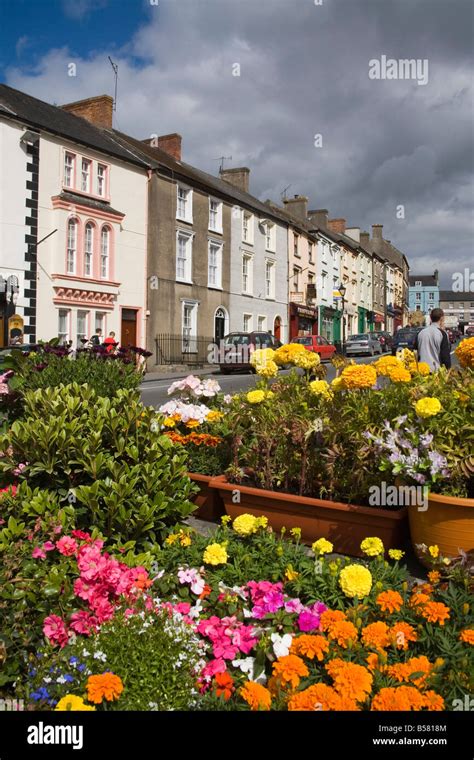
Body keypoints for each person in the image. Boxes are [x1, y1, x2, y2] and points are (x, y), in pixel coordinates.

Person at [414, 308, 451, 372]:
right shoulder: (442, 333)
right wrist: (448, 369)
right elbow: (445, 356)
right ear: (442, 318)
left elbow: (415, 353)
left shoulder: (420, 333)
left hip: (421, 371)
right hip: (436, 371)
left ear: (430, 318)